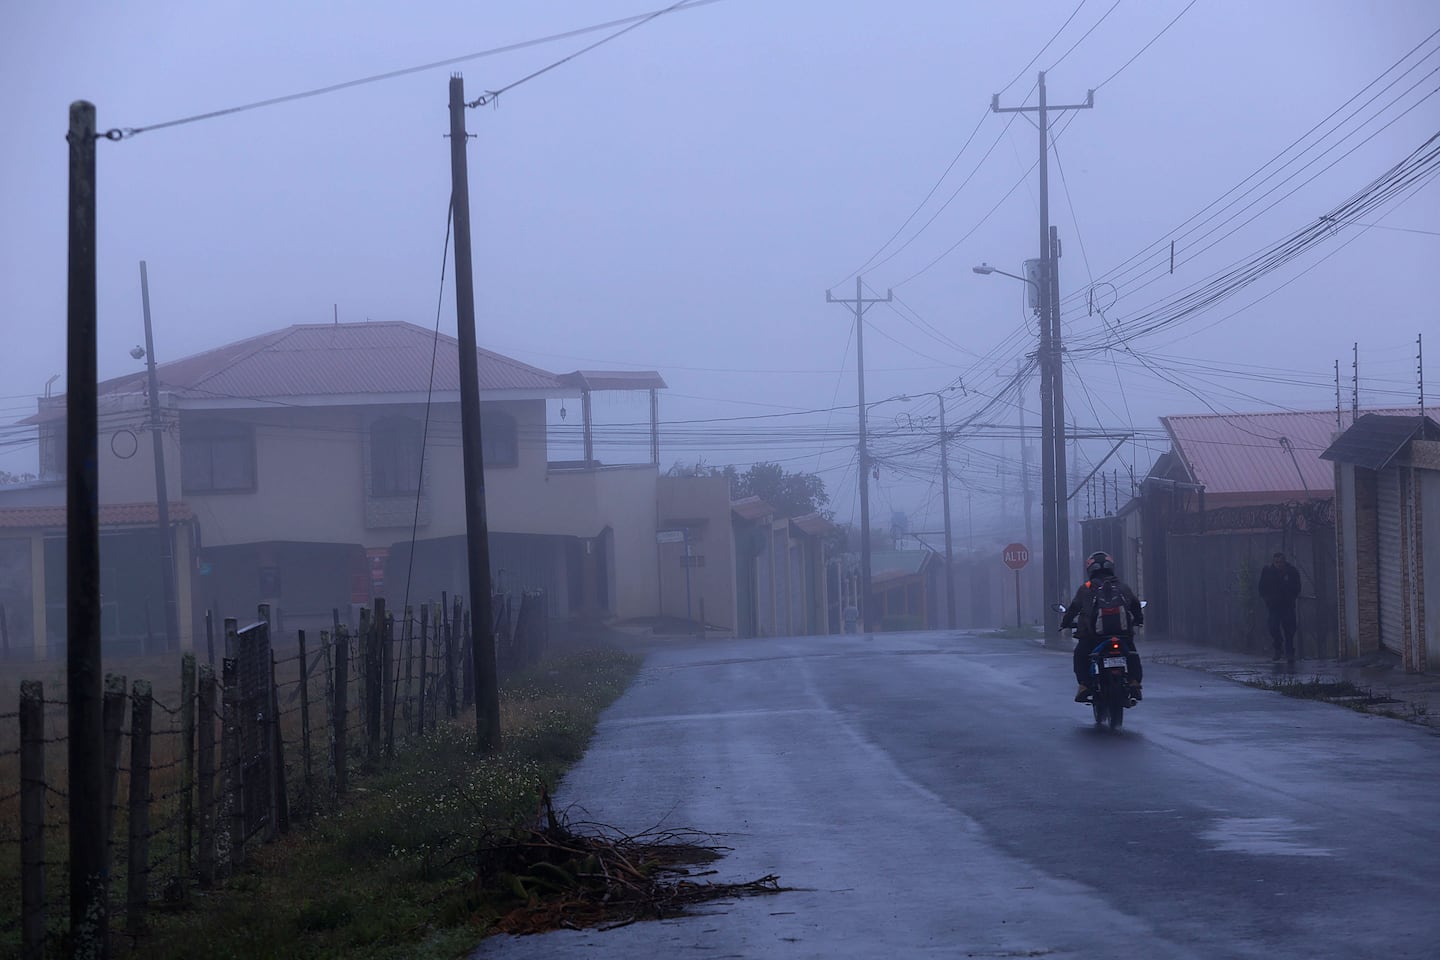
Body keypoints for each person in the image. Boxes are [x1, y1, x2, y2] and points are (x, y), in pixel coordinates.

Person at [1060, 551, 1145, 703]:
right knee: (1131, 653)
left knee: (1080, 655)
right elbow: (1135, 606)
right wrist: (1138, 620)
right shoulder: (1122, 587)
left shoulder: (1086, 588)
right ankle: (1134, 682)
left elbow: (1073, 609)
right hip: (1122, 635)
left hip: (1092, 636)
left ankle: (1084, 685)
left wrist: (1065, 623)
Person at [1257, 551, 1302, 663]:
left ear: (1284, 562)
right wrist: (1267, 599)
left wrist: (1291, 596)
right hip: (1274, 606)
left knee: (1290, 630)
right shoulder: (1268, 572)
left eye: (1281, 562)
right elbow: (1261, 587)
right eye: (1276, 562)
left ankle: (1290, 652)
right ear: (1273, 562)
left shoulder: (1291, 571)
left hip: (1288, 605)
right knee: (1273, 627)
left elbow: (1297, 586)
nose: (1279, 564)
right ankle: (1278, 647)